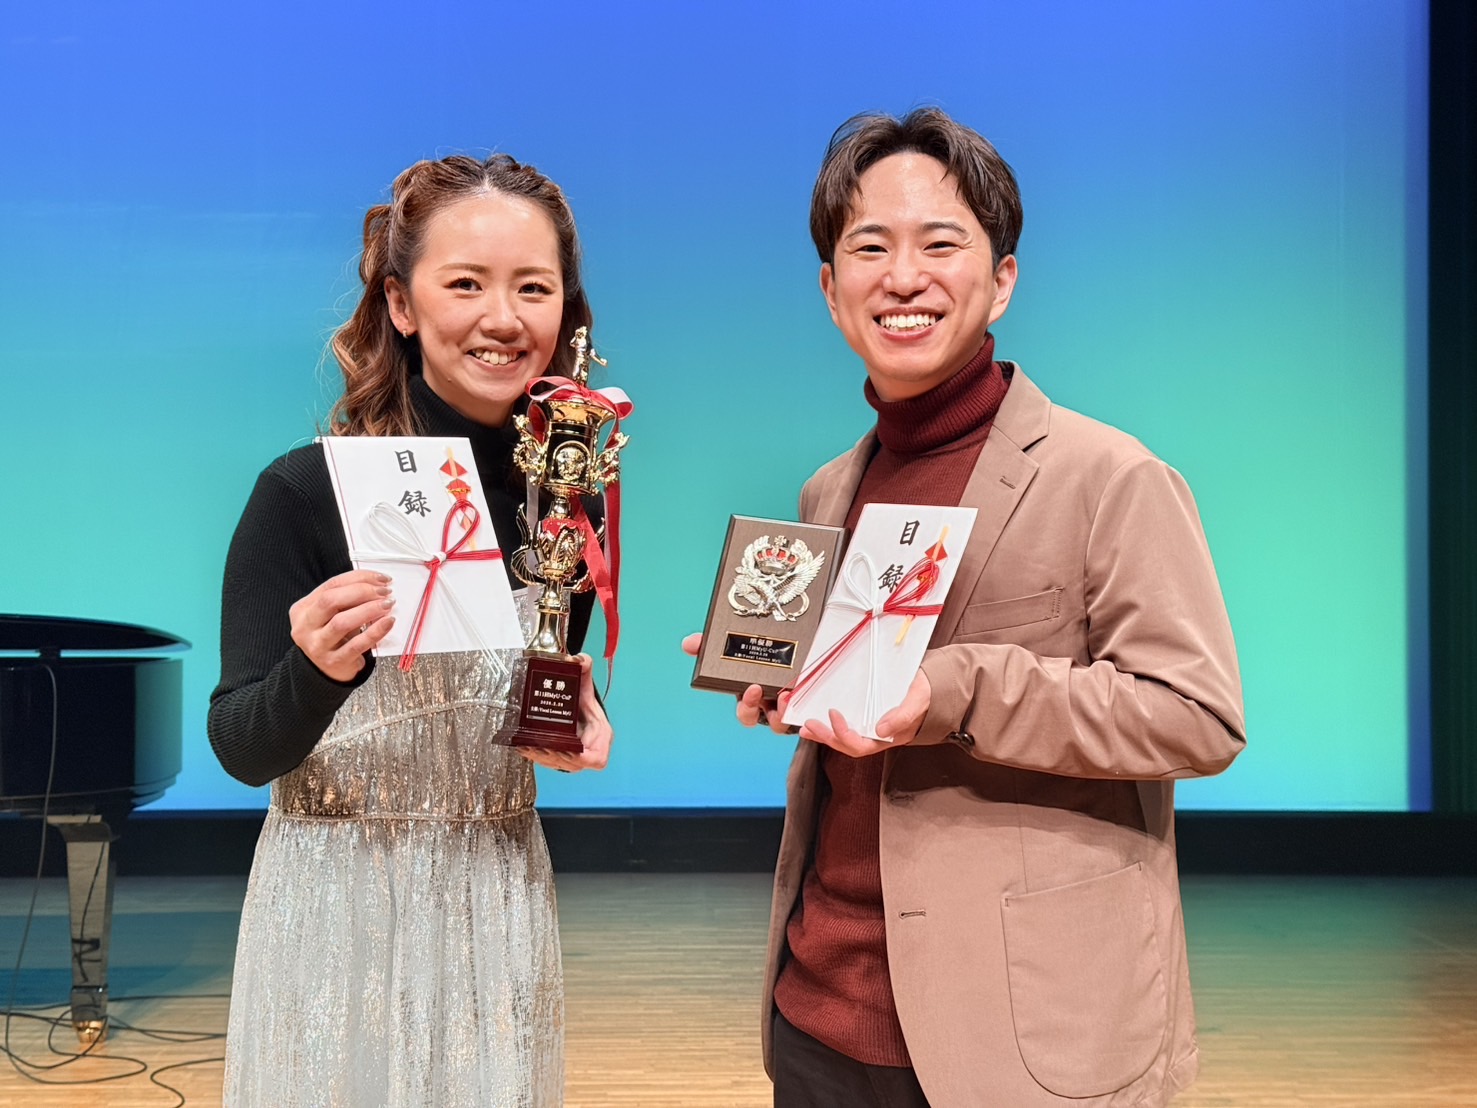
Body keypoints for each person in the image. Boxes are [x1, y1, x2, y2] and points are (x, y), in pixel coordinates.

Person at [687, 108, 1245, 1107]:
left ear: (1002, 279)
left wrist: (954, 688)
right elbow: (859, 724)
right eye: (869, 248)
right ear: (830, 290)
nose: (903, 277)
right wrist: (785, 686)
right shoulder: (828, 490)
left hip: (1025, 1035)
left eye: (940, 244)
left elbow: (1196, 716)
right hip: (817, 1011)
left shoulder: (1109, 475)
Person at [208, 152, 613, 1107]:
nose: (502, 318)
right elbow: (240, 747)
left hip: (496, 896)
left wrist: (573, 717)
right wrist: (314, 668)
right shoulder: (304, 492)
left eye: (533, 287)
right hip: (335, 906)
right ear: (400, 303)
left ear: (566, 310)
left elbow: (529, 694)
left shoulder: (567, 505)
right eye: (465, 284)